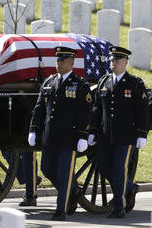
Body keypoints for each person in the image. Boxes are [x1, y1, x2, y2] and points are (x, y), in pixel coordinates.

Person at [28, 46, 91, 221]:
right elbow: (39, 110)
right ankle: (74, 191)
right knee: (46, 168)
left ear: (71, 63)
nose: (59, 63)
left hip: (69, 138)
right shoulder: (49, 82)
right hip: (50, 137)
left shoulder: (80, 84)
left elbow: (85, 113)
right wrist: (33, 130)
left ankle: (60, 211)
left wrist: (82, 136)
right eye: (57, 60)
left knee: (64, 175)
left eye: (63, 60)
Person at [89, 46, 149, 218]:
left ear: (125, 62)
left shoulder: (135, 83)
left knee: (119, 168)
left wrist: (141, 134)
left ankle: (119, 207)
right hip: (106, 135)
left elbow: (142, 111)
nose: (113, 63)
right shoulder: (104, 82)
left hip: (127, 136)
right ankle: (129, 187)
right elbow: (97, 108)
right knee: (103, 167)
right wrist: (93, 130)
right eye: (112, 60)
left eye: (117, 60)